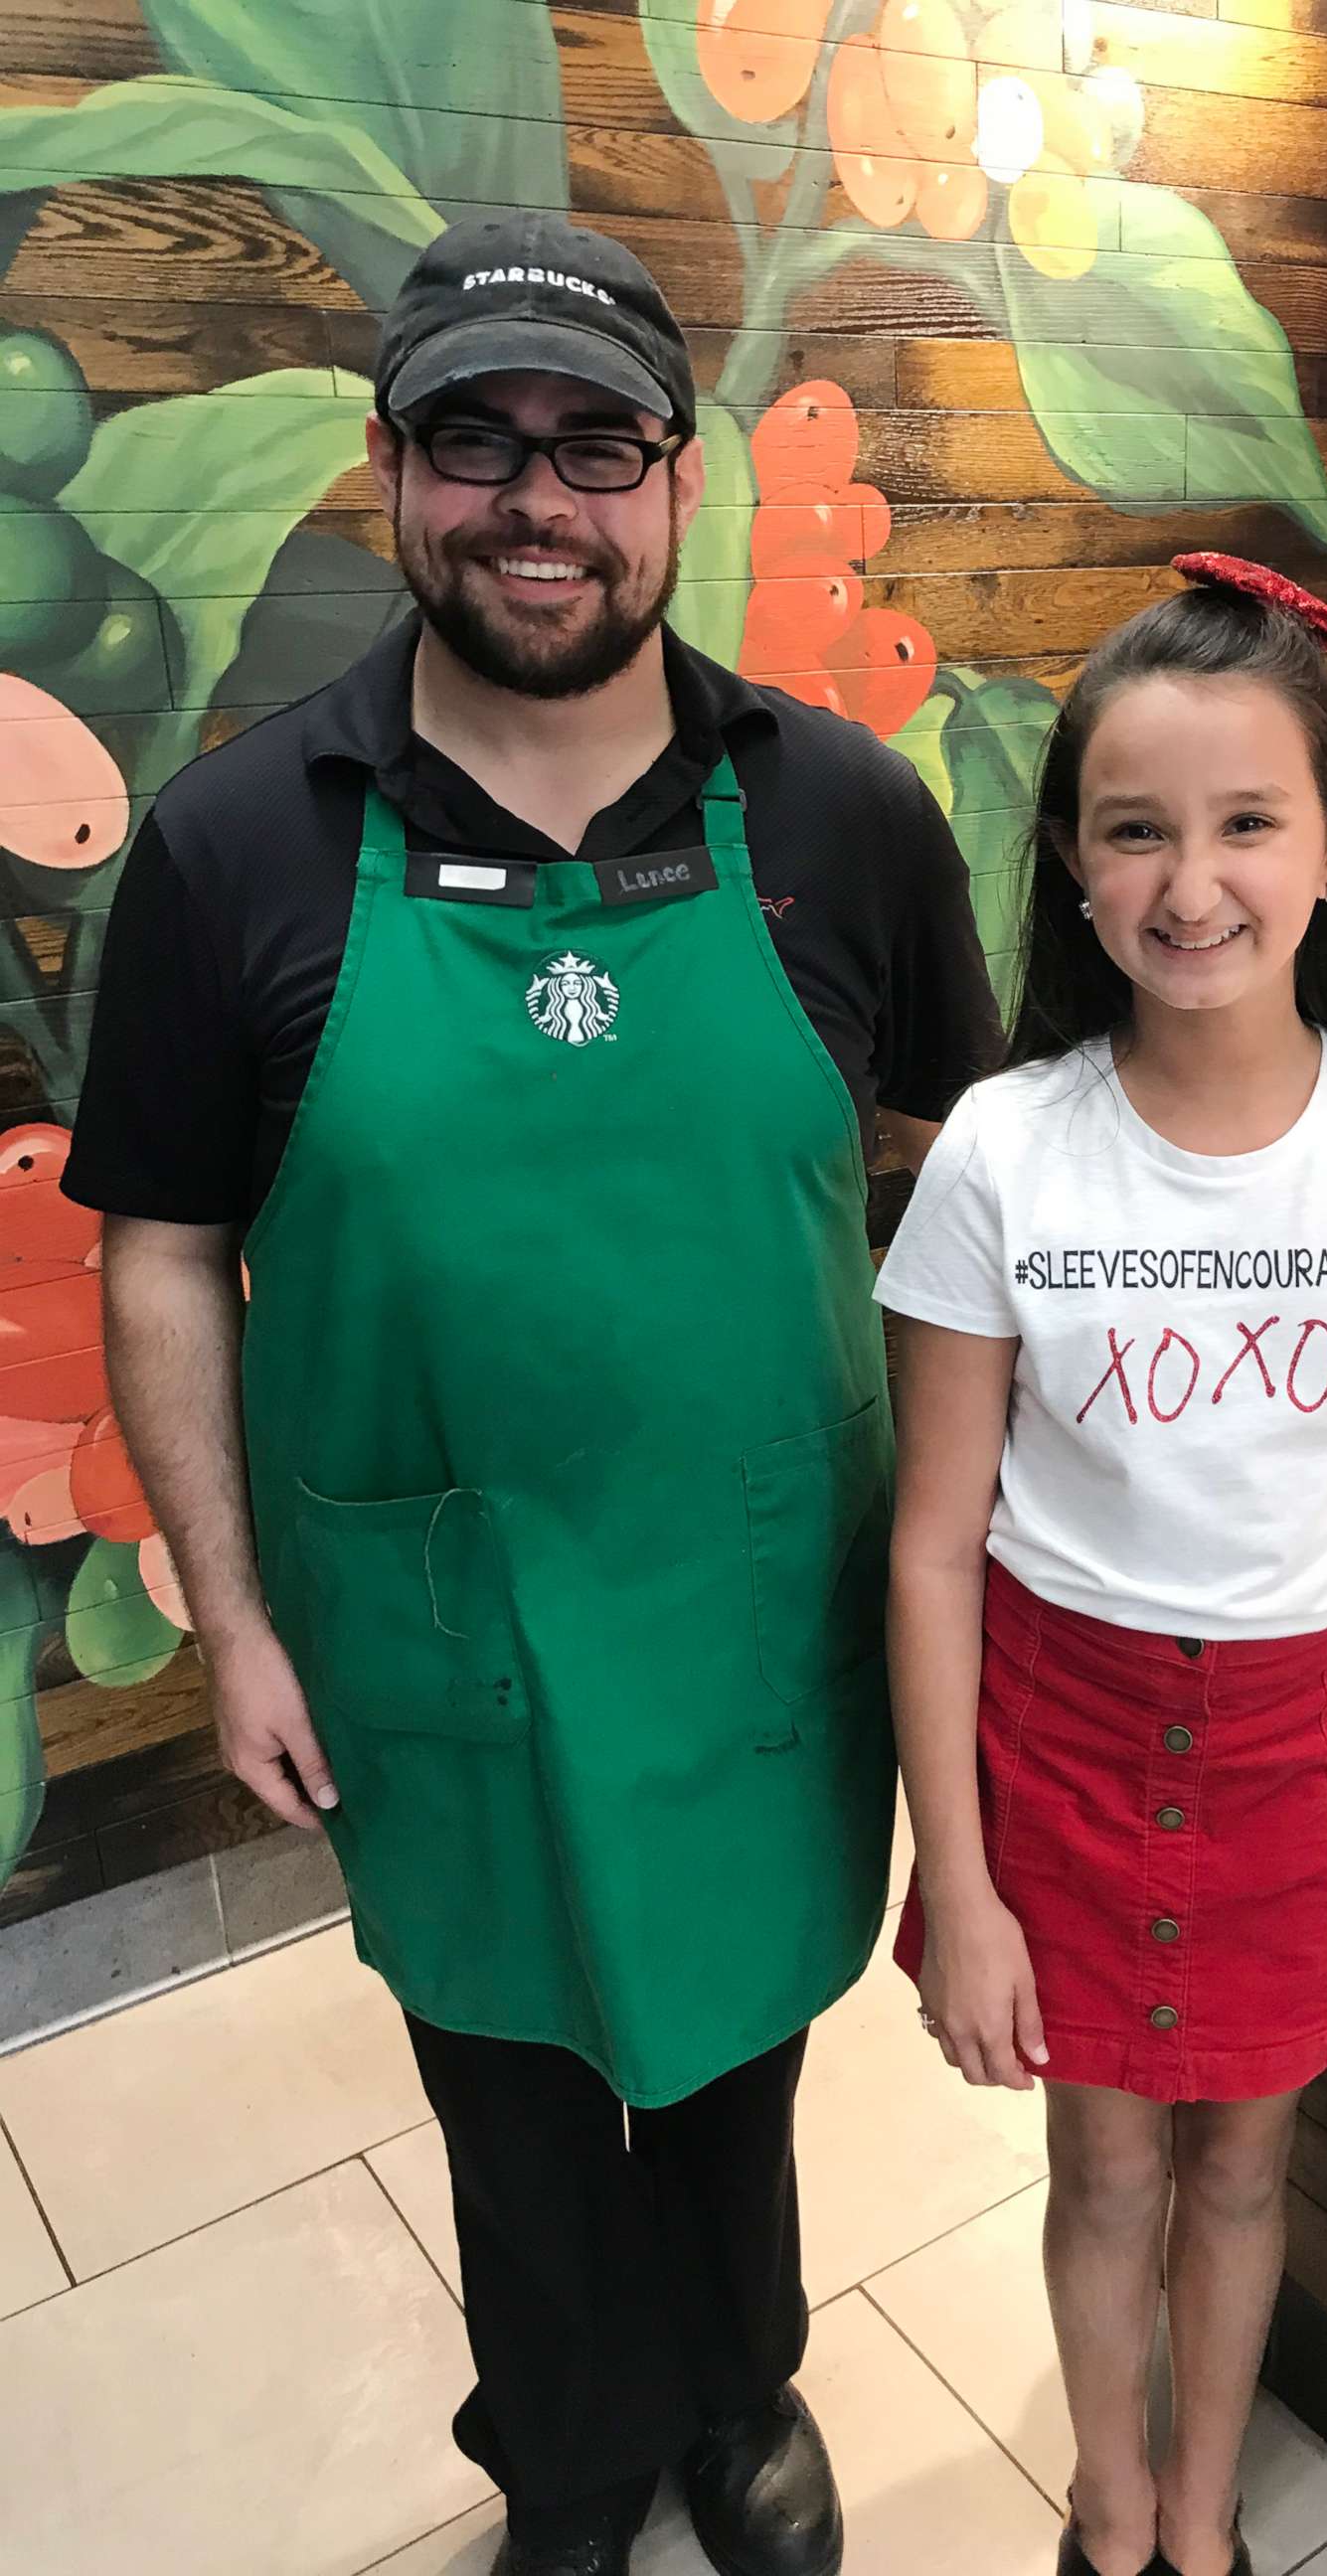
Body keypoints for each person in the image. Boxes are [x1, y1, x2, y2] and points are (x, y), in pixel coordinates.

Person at [62, 212, 999, 2576]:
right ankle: (571, 2470)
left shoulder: (849, 818)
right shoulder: (231, 844)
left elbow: (990, 1208)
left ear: (681, 485)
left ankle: (742, 2400)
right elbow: (164, 1248)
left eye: (595, 445)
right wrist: (240, 1621)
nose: (535, 501)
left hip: (758, 1617)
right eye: (475, 441)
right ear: (389, 469)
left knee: (737, 2054)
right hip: (434, 1616)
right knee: (509, 2083)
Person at [873, 556, 1327, 2576]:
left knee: (1248, 2170)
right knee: (1099, 2164)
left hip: (1315, 1743)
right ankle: (1109, 2505)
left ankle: (1205, 2524)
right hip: (1061, 1738)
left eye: (1247, 823)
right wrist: (961, 1887)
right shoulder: (1004, 1149)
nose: (1192, 885)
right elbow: (930, 1550)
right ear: (1072, 868)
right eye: (1136, 831)